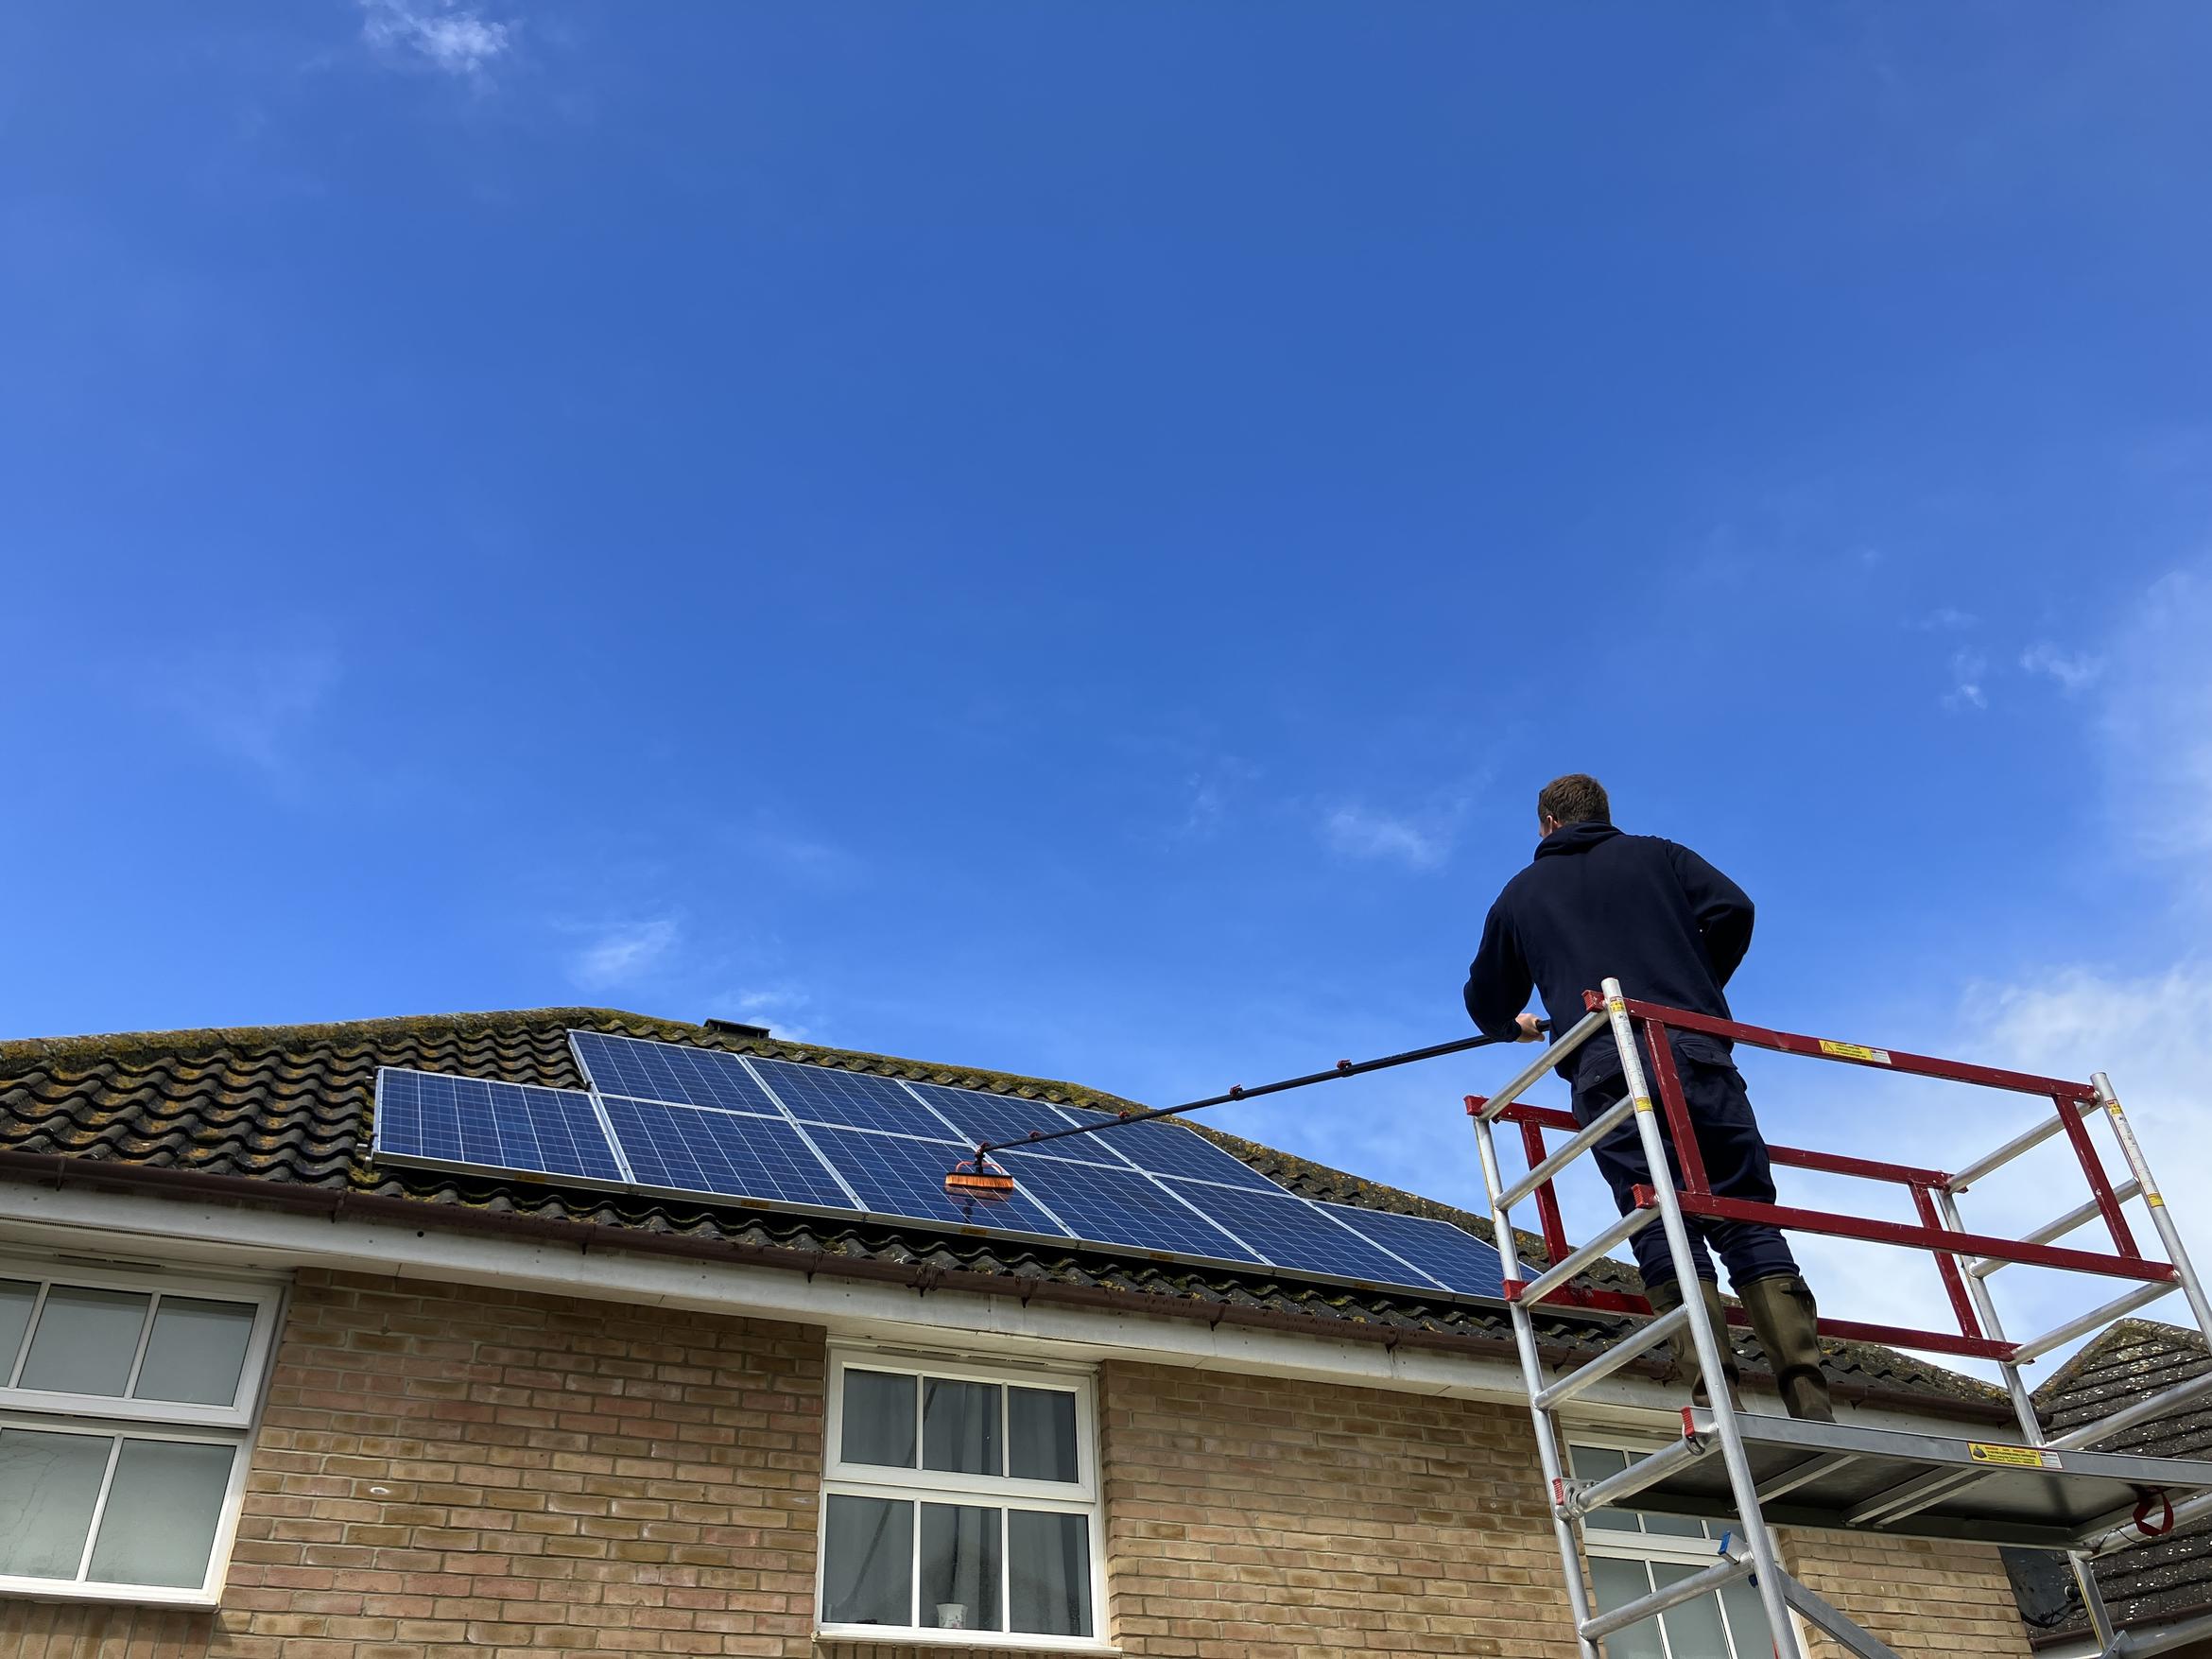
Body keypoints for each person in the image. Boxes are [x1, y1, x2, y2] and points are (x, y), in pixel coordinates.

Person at [1463, 773, 1832, 1422]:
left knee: (1659, 1216)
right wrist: (1691, 987)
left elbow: (1486, 999)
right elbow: (1734, 908)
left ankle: (1716, 1396)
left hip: (1607, 1070)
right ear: (1604, 814)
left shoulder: (1520, 894)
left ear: (1547, 823)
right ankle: (1806, 1393)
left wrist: (1512, 1025)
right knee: (1743, 1206)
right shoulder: (1659, 854)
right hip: (1695, 1050)